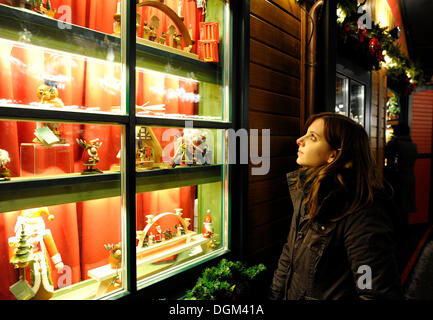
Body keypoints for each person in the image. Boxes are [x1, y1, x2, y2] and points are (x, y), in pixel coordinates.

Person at [269, 112, 403, 300]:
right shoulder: (307, 192)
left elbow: (375, 291)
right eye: (305, 133)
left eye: (312, 137)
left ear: (334, 154)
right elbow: (289, 255)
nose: (300, 140)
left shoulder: (360, 211)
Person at [384, 122, 418, 271]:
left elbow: (386, 158)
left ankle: (397, 239)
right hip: (409, 177)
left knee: (395, 207)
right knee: (405, 207)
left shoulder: (395, 144)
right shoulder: (413, 145)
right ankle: (405, 237)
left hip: (397, 179)